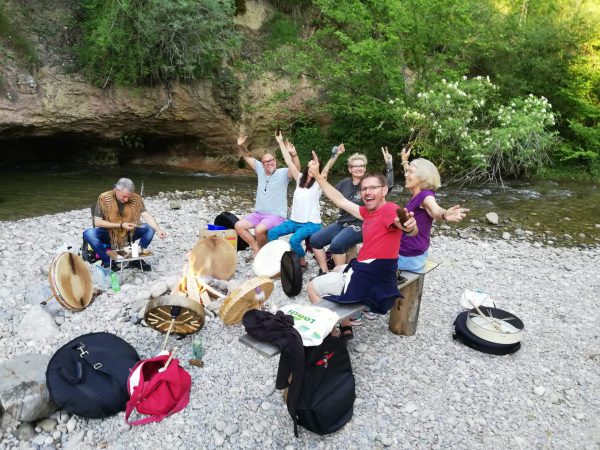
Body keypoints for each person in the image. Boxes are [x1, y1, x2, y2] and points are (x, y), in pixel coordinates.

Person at [306, 155, 418, 340]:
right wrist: (318, 176)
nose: (367, 192)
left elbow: (408, 229)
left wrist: (410, 226)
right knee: (338, 269)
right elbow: (340, 200)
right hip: (378, 272)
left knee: (311, 287)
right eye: (364, 189)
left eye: (373, 188)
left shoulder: (389, 209)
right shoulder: (368, 212)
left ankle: (331, 332)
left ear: (384, 190)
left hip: (368, 278)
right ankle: (347, 324)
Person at [309, 147, 394, 274]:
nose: (359, 168)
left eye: (362, 166)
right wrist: (331, 161)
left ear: (365, 168)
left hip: (361, 224)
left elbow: (388, 186)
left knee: (337, 244)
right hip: (342, 222)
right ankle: (324, 271)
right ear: (350, 169)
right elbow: (330, 193)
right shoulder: (345, 183)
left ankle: (340, 275)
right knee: (315, 240)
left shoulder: (368, 185)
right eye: (355, 166)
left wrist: (389, 165)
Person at [267, 137, 344, 268]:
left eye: (315, 165)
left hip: (311, 224)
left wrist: (336, 154)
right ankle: (277, 257)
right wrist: (280, 142)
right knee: (272, 233)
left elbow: (327, 168)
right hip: (294, 221)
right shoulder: (299, 179)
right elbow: (288, 161)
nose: (311, 167)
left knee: (294, 241)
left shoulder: (319, 182)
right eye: (310, 164)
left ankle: (302, 259)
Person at [398, 147, 469, 271]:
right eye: (407, 171)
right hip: (415, 252)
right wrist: (405, 161)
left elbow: (435, 210)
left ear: (422, 177)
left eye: (410, 172)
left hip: (408, 257)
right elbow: (410, 175)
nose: (406, 174)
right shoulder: (417, 191)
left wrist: (445, 214)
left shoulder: (426, 197)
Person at [234, 133, 300, 255]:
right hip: (258, 214)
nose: (269, 163)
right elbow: (247, 156)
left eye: (271, 160)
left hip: (276, 215)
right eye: (265, 162)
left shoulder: (284, 173)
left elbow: (297, 168)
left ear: (275, 161)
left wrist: (294, 154)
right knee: (238, 226)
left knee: (259, 229)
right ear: (262, 164)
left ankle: (263, 254)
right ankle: (257, 249)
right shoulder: (260, 169)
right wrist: (241, 145)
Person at [83, 178, 166, 271]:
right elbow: (97, 222)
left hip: (129, 233)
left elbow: (146, 215)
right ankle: (108, 262)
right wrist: (121, 225)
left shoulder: (136, 199)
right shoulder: (104, 198)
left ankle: (135, 258)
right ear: (116, 190)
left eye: (129, 197)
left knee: (149, 228)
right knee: (88, 233)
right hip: (108, 234)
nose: (126, 200)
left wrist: (159, 230)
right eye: (124, 196)